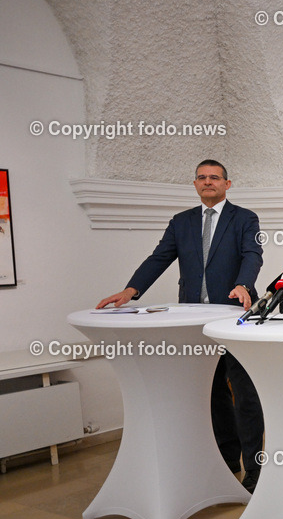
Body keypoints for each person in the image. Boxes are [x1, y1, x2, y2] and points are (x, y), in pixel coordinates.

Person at [96, 159, 266, 492]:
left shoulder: (245, 218)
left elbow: (252, 254)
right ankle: (227, 460)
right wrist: (130, 291)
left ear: (227, 184)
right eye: (202, 177)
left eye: (214, 177)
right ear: (195, 184)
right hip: (194, 319)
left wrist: (243, 284)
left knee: (244, 393)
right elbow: (159, 257)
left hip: (235, 316)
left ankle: (255, 468)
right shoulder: (181, 222)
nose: (208, 182)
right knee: (212, 392)